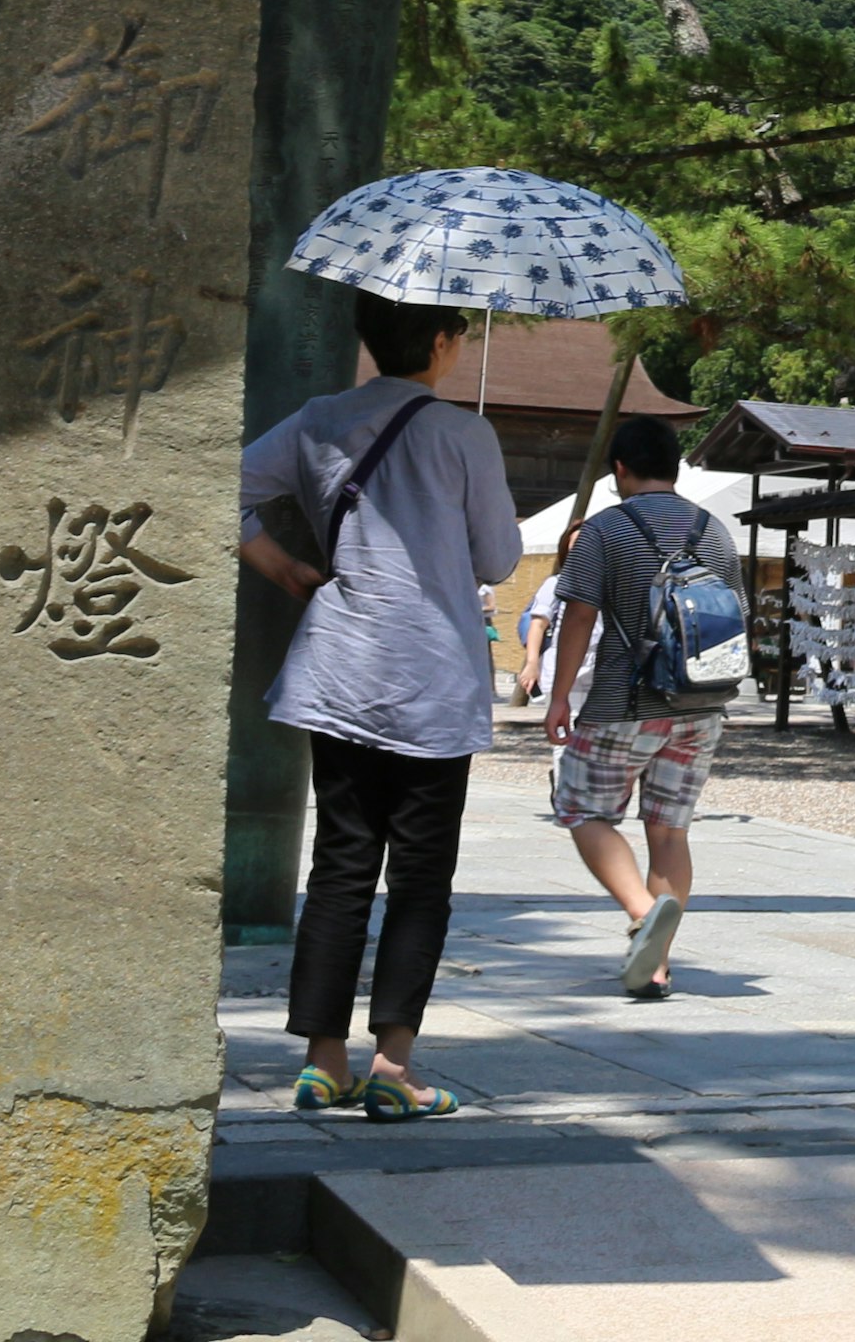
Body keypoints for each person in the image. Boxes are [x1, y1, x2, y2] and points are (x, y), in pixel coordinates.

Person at [238, 294, 519, 1124]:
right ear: (439, 341)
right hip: (431, 673)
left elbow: (223, 488)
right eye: (457, 336)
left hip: (344, 665)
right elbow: (501, 559)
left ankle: (324, 1064)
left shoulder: (321, 419)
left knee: (342, 863)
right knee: (422, 877)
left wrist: (282, 566)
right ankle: (394, 1064)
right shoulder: (464, 433)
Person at [538, 419, 739, 999]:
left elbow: (577, 615)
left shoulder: (606, 530)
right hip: (700, 705)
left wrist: (558, 696)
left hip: (623, 701)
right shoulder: (714, 530)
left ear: (619, 469)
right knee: (670, 831)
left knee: (580, 808)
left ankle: (639, 912)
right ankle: (657, 966)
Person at [514, 522, 579, 700]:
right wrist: (532, 663)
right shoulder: (556, 585)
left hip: (598, 674)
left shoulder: (611, 587)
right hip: (560, 671)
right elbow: (538, 624)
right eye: (576, 545)